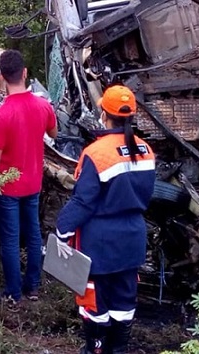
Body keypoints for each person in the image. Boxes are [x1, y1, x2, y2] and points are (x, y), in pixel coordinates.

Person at [55, 85, 156, 354]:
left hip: (100, 242)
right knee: (124, 301)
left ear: (104, 114)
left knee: (95, 301)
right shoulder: (146, 150)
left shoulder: (96, 153)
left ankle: (95, 349)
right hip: (133, 237)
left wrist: (62, 230)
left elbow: (83, 201)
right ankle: (118, 349)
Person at [0, 49, 58, 308]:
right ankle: (34, 287)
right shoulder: (43, 105)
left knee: (10, 240)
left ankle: (13, 293)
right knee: (34, 234)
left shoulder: (2, 115)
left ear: (2, 77)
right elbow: (53, 131)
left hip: (8, 186)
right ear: (25, 73)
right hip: (34, 181)